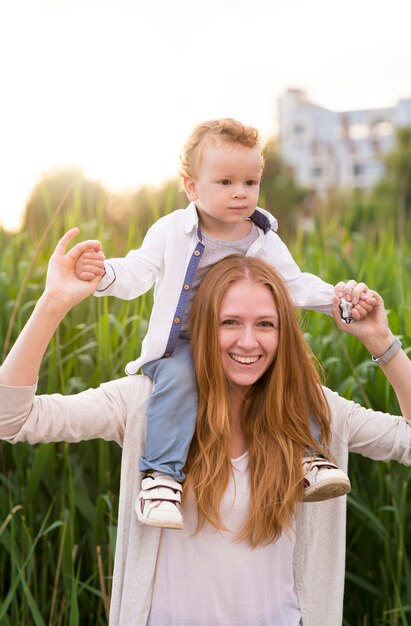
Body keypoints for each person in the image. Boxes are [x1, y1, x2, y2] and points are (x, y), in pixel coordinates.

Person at [0, 230, 411, 625]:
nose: (248, 342)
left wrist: (381, 340)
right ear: (200, 327)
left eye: (265, 324)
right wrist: (53, 302)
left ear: (284, 332)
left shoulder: (314, 410)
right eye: (229, 322)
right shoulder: (145, 404)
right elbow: (12, 419)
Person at [74, 118, 371, 529]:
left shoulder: (263, 239)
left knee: (291, 369)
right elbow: (138, 271)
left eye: (250, 183)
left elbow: (293, 283)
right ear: (192, 186)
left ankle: (308, 455)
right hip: (181, 345)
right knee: (180, 380)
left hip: (237, 343)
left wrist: (338, 300)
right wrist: (103, 273)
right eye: (226, 182)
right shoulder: (171, 231)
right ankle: (160, 477)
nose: (240, 193)